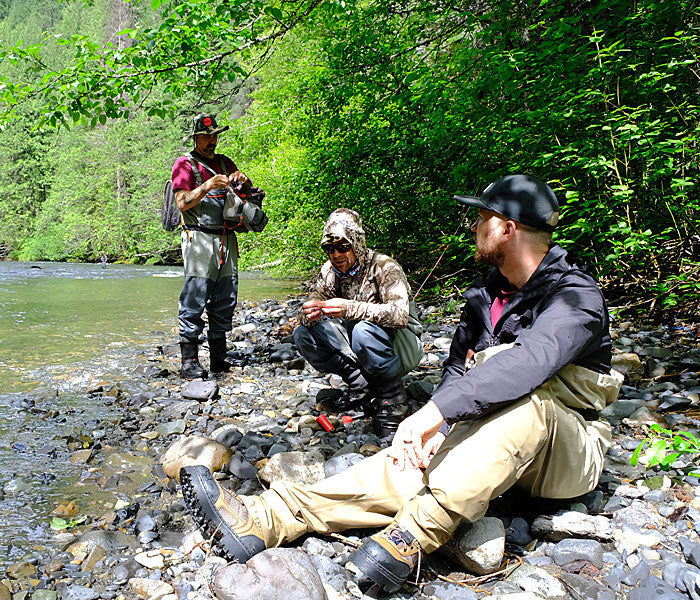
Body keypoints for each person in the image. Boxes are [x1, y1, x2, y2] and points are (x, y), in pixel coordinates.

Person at [179, 174, 623, 592]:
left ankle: (414, 533)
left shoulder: (575, 296)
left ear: (507, 229)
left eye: (481, 218)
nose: (473, 225)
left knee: (524, 405)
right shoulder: (484, 298)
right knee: (406, 457)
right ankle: (267, 517)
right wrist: (436, 428)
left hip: (567, 453)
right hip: (489, 446)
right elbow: (455, 372)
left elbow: (531, 361)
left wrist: (437, 412)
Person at [293, 208, 423, 437]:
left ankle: (393, 398)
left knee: (363, 330)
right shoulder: (329, 272)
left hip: (402, 347)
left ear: (357, 243)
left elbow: (400, 316)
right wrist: (310, 311)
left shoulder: (384, 267)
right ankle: (360, 383)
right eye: (328, 248)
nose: (335, 254)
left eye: (343, 246)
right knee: (303, 334)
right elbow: (308, 307)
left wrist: (349, 308)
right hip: (363, 345)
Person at [171, 113, 250, 379]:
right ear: (196, 138)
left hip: (227, 237)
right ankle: (189, 360)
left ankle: (218, 357)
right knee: (195, 296)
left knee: (225, 295)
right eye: (206, 136)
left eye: (215, 136)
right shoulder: (184, 165)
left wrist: (244, 183)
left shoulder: (225, 162)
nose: (212, 141)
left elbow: (239, 196)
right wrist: (206, 185)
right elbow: (182, 203)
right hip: (198, 237)